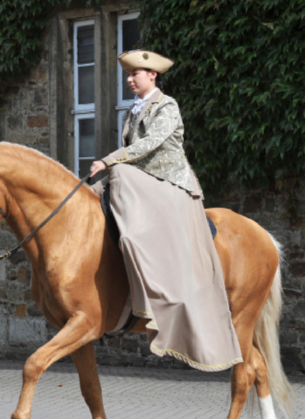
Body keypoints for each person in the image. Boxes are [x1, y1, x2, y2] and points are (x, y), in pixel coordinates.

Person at [89, 50, 242, 371]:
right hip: (142, 183)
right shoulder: (131, 112)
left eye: (135, 74)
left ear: (152, 75)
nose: (129, 80)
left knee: (117, 174)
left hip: (170, 184)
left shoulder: (167, 106)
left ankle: (138, 253)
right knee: (93, 193)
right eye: (128, 75)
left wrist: (107, 159)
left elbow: (147, 146)